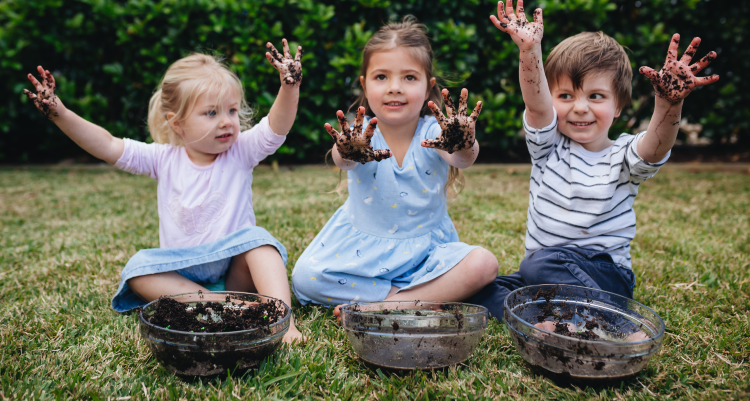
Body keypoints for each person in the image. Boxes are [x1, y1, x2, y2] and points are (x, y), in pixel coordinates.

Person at [22, 40, 306, 343]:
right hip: (181, 279)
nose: (227, 122)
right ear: (177, 122)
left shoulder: (242, 151)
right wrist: (60, 113)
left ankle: (281, 321)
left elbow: (277, 127)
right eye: (211, 113)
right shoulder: (163, 159)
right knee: (137, 270)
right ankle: (221, 305)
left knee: (259, 242)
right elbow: (106, 144)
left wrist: (289, 87)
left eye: (232, 110)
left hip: (236, 273)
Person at [468, 0, 720, 329]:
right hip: (544, 274)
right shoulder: (548, 147)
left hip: (604, 275)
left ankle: (613, 318)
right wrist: (530, 52)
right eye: (566, 96)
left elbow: (655, 148)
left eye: (596, 96)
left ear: (618, 106)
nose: (580, 108)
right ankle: (560, 322)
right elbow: (537, 105)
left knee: (538, 265)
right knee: (486, 292)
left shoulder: (624, 155)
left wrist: (668, 104)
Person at [290, 17, 499, 317]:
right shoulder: (359, 136)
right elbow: (343, 159)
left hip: (426, 257)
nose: (395, 88)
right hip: (363, 255)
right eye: (381, 77)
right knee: (305, 277)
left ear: (429, 87)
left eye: (409, 78)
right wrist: (346, 149)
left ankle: (385, 306)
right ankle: (414, 299)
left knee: (484, 264)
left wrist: (463, 141)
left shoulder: (433, 132)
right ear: (365, 84)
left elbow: (461, 158)